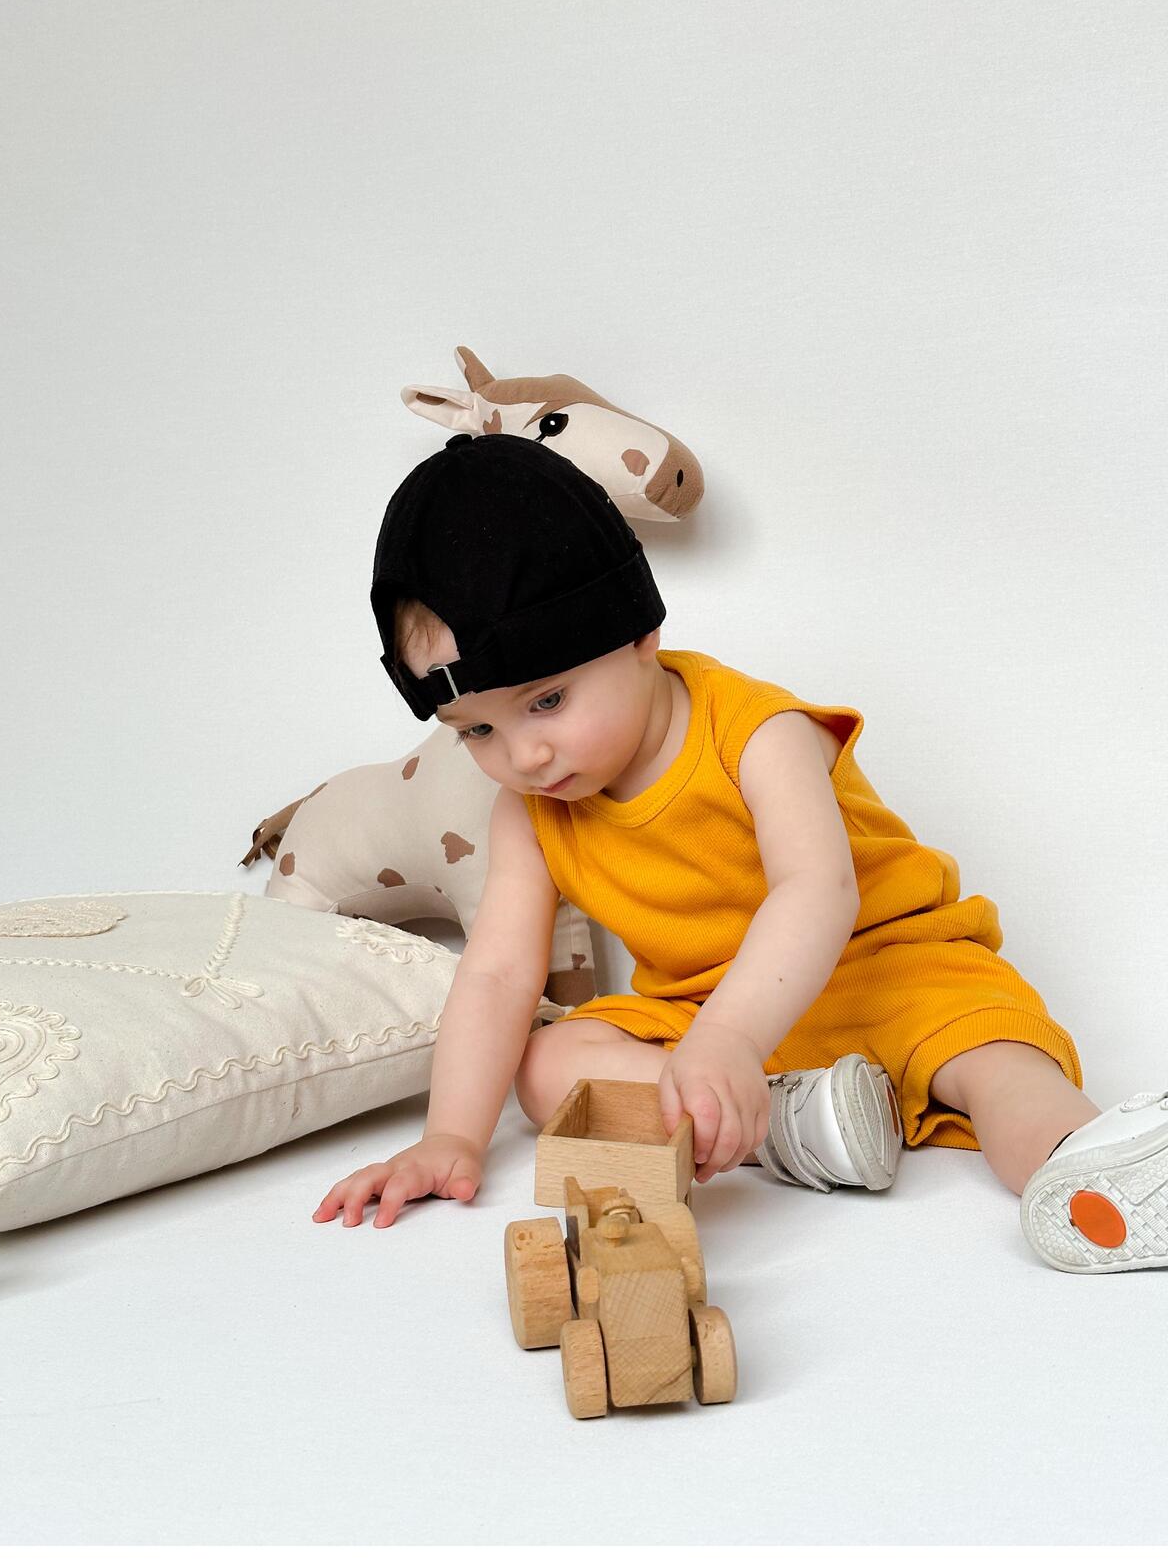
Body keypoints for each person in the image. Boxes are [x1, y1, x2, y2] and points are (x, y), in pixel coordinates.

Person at [313, 433, 1168, 1273]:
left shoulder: (756, 732)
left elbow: (816, 890)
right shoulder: (528, 813)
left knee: (998, 1065)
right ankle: (799, 1122)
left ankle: (1095, 1173)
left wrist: (730, 1039)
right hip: (705, 1013)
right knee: (548, 1068)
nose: (525, 756)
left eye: (548, 702)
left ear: (639, 633)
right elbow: (500, 974)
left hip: (892, 973)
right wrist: (451, 1135)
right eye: (478, 732)